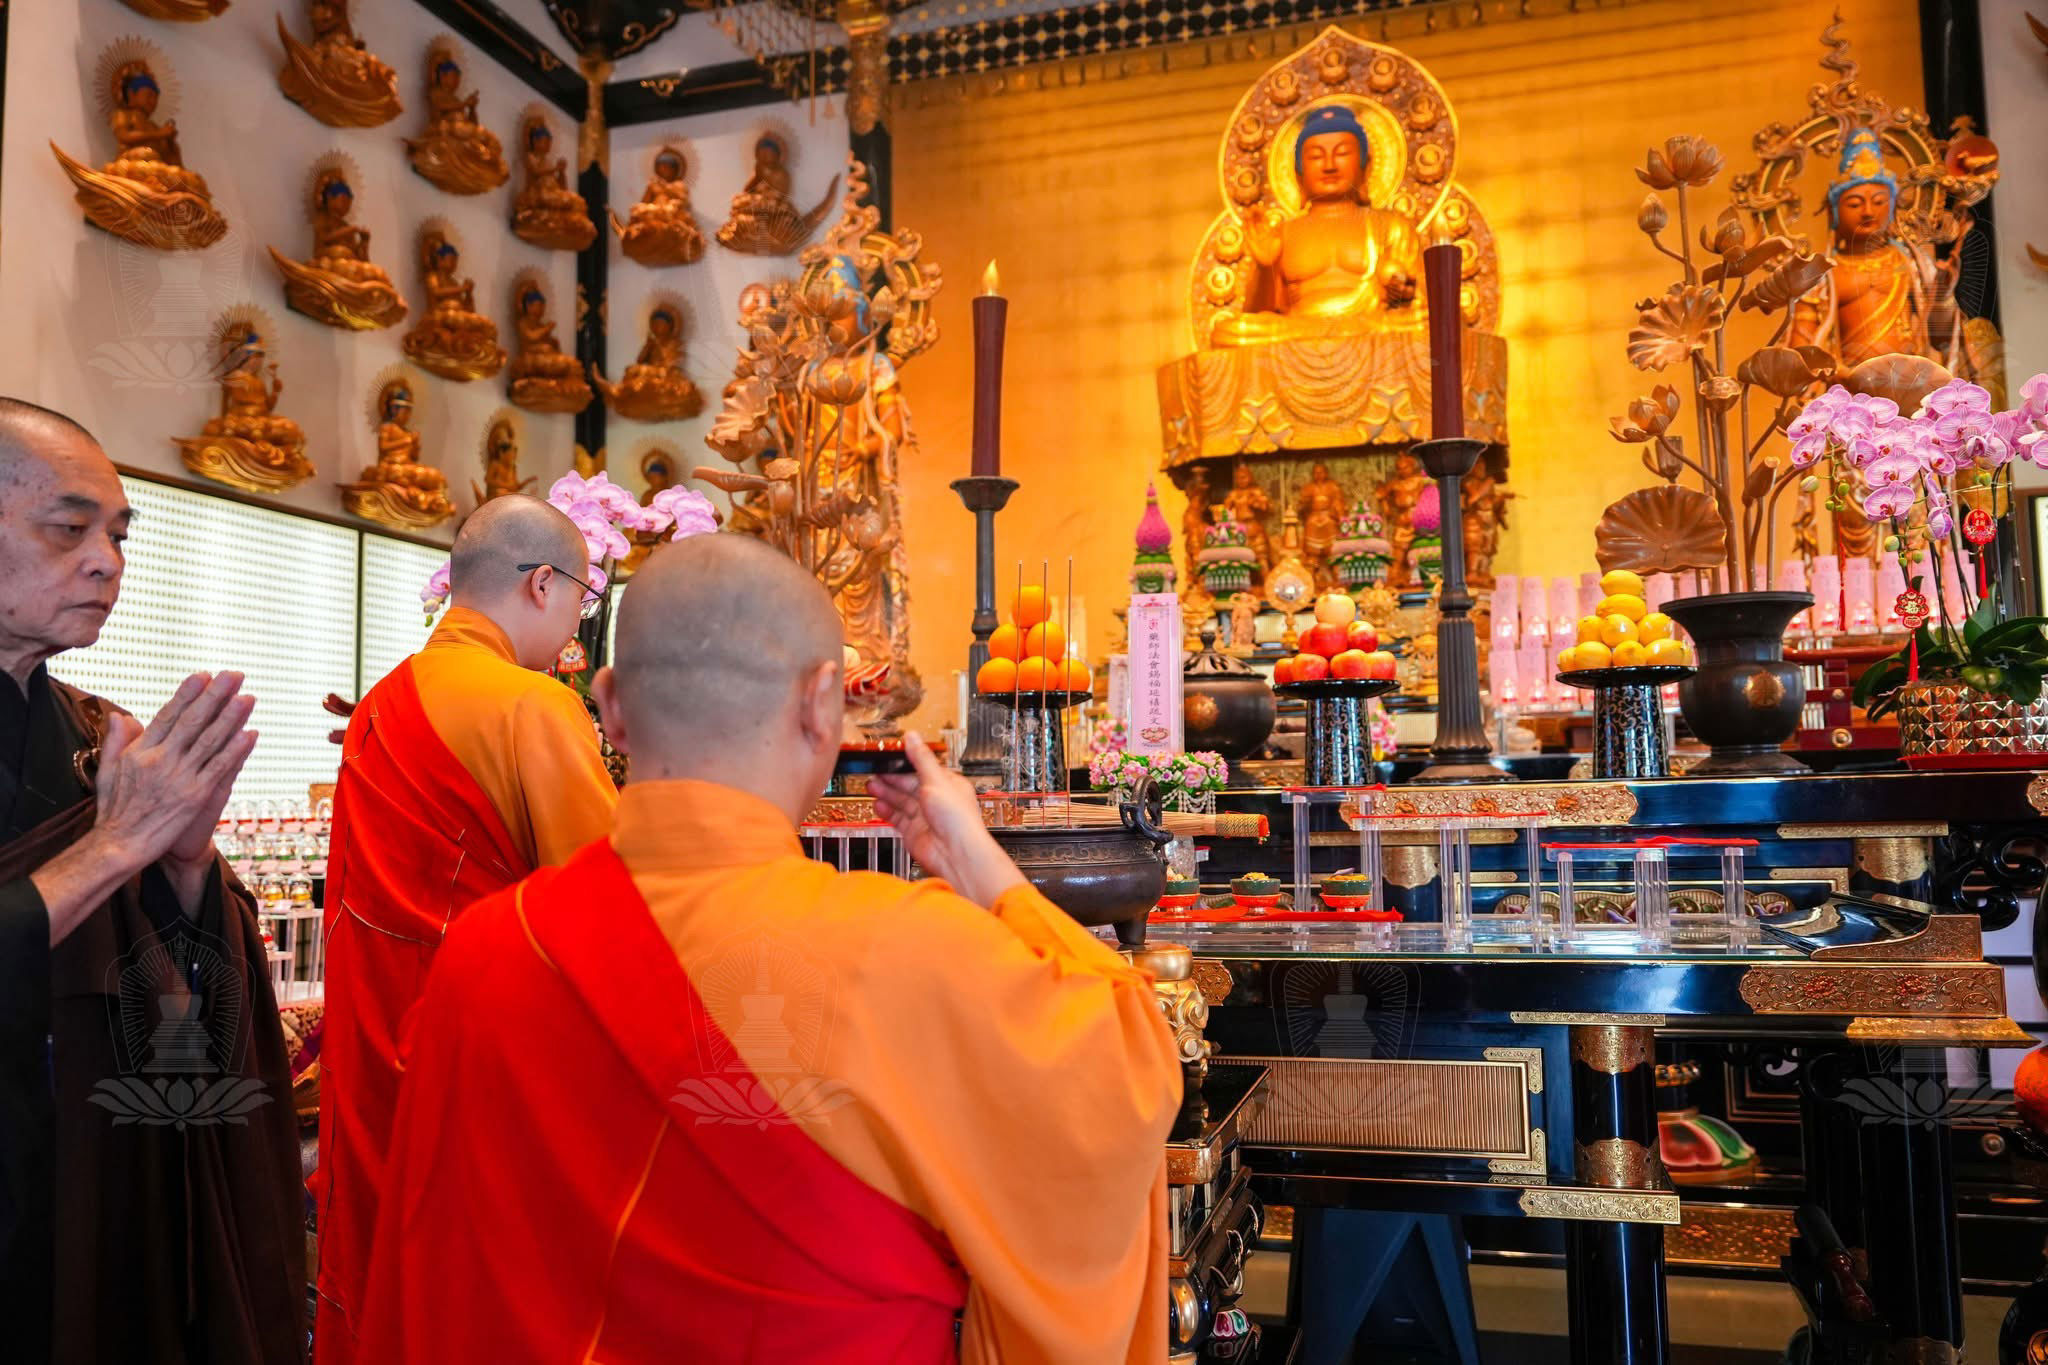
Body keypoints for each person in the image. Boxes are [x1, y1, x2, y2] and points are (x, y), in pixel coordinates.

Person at [357, 533, 1184, 1363]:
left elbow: (422, 1278)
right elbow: (1128, 1067)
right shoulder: (898, 947)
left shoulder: (481, 956)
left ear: (606, 703)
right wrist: (984, 864)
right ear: (824, 702)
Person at [0, 398, 303, 1364]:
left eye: (119, 535)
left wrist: (182, 869)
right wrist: (117, 848)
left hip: (88, 1167)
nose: (107, 561)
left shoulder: (96, 740)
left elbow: (179, 985)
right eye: (68, 527)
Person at [314, 494, 618, 1363]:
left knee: (386, 1263)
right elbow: (602, 901)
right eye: (581, 604)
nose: (574, 630)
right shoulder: (534, 708)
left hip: (375, 1042)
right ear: (543, 584)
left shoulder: (381, 702)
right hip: (486, 1051)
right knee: (484, 1285)